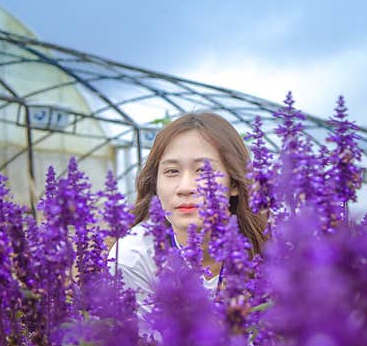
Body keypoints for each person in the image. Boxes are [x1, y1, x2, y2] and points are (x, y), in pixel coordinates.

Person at [107, 111, 267, 317]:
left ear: (234, 183)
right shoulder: (132, 258)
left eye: (203, 171)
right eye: (172, 171)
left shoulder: (272, 249)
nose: (185, 188)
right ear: (155, 183)